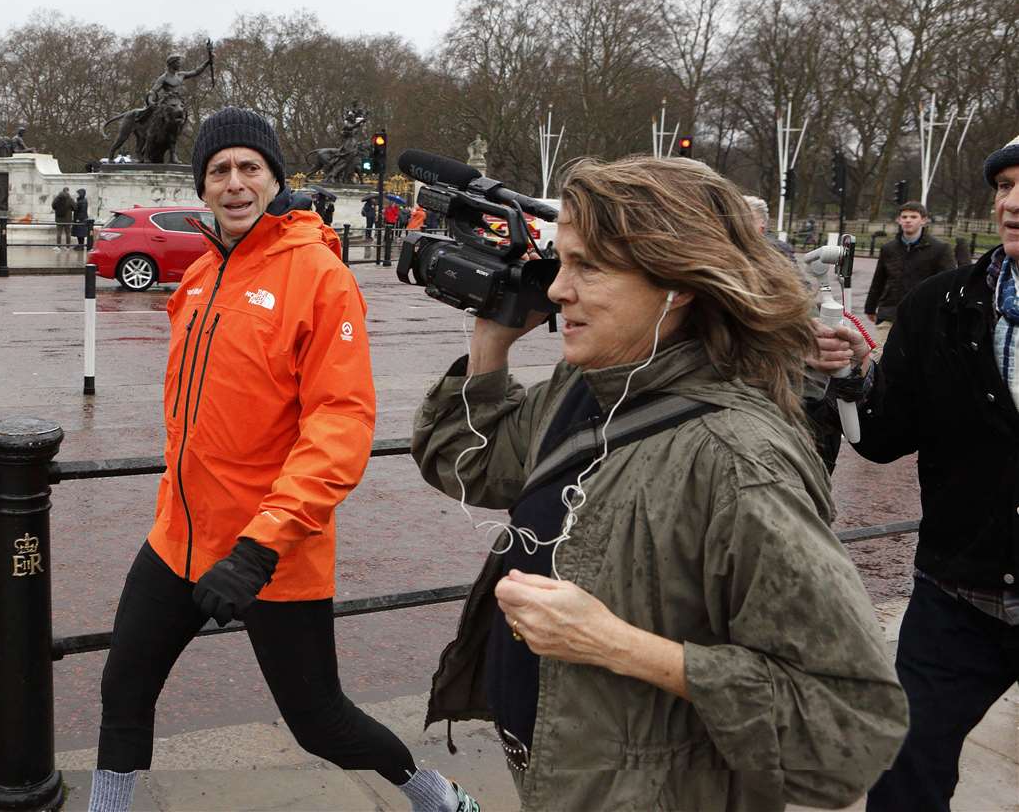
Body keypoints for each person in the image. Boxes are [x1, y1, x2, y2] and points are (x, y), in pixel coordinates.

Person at [410, 155, 906, 811]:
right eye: (562, 262)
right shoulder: (587, 386)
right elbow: (468, 461)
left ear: (681, 282)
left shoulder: (740, 462)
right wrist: (491, 341)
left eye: (590, 266)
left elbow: (849, 732)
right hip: (564, 780)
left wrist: (617, 645)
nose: (558, 290)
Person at [88, 107, 478, 812]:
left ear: (273, 177)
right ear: (202, 186)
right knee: (124, 687)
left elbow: (339, 425)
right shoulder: (202, 276)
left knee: (319, 722)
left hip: (269, 551)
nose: (234, 183)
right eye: (218, 170)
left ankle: (438, 797)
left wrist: (260, 546)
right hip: (178, 538)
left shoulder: (319, 276)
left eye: (248, 167)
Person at [818, 134, 1019, 812]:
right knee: (903, 771)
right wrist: (851, 378)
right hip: (956, 599)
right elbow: (882, 436)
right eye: (1004, 187)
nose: (1013, 203)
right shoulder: (942, 305)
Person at [864, 201, 955, 330]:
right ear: (898, 220)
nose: (908, 221)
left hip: (923, 315)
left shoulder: (940, 249)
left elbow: (949, 284)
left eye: (913, 217)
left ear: (923, 220)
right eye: (904, 217)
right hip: (889, 313)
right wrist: (870, 307)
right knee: (882, 350)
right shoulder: (888, 248)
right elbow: (879, 280)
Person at [744, 194, 795, 259]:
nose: (742, 223)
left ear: (763, 222)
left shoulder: (778, 250)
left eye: (748, 218)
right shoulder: (732, 245)